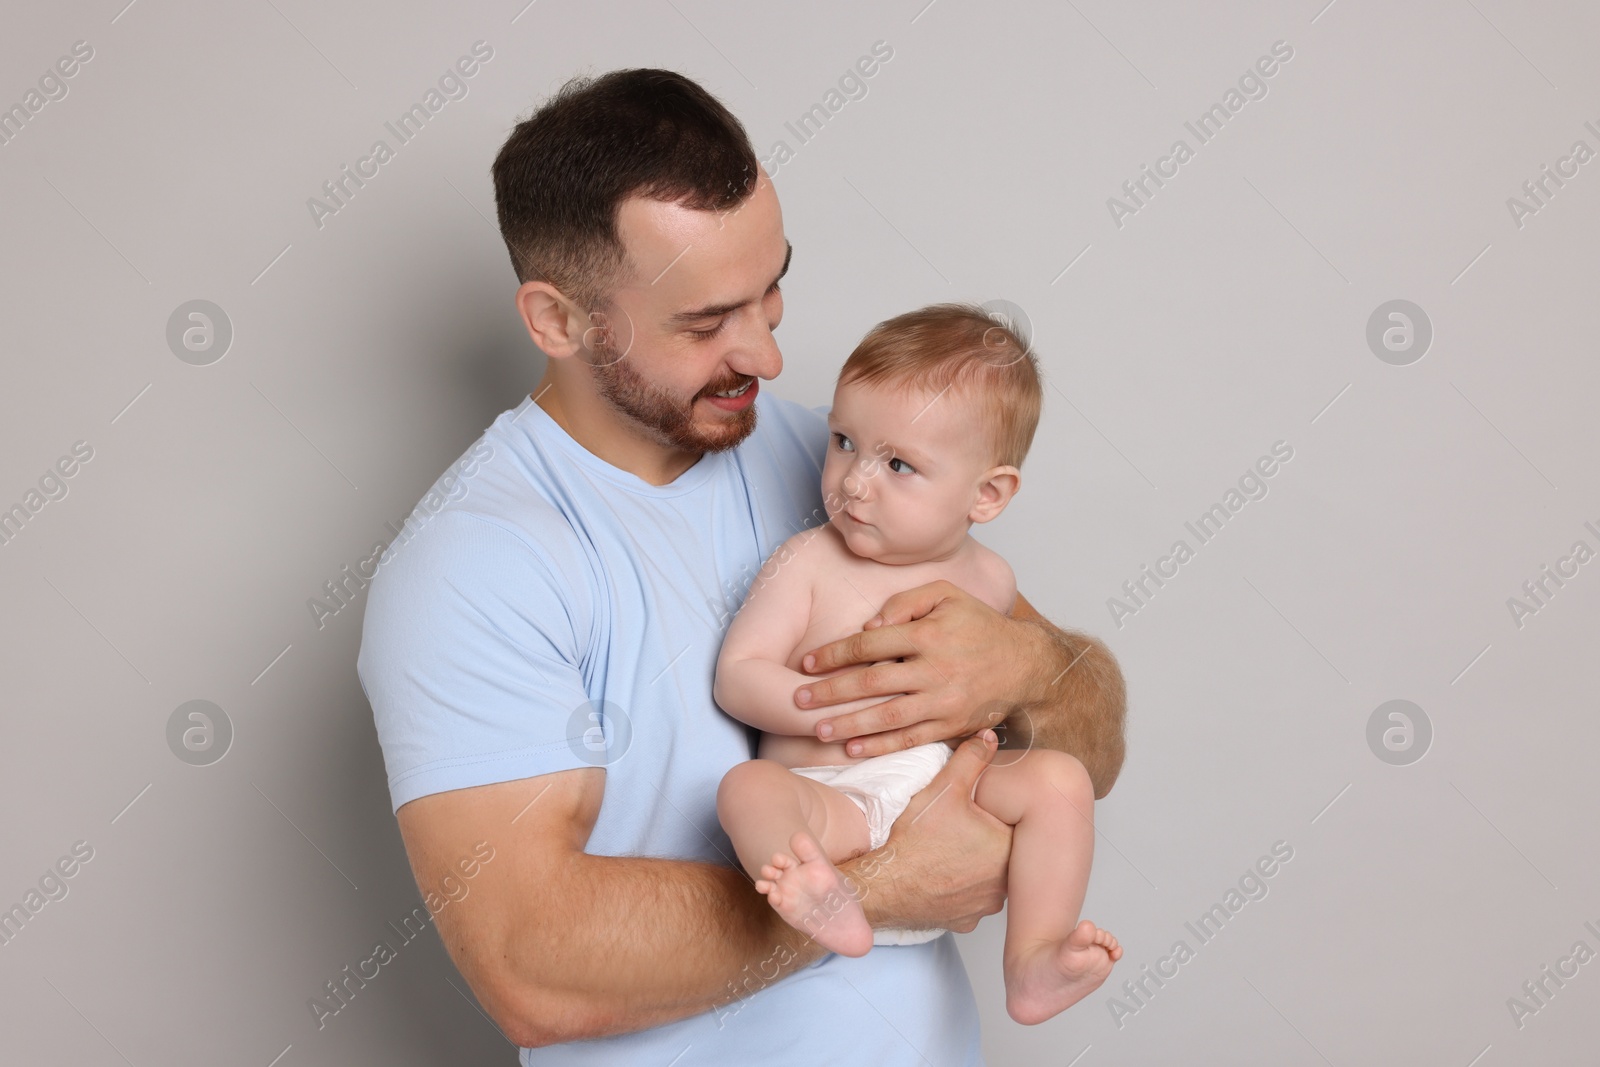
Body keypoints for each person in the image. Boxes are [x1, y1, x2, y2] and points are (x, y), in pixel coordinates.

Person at [356, 68, 1126, 1065]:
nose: (764, 354)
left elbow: (1087, 744)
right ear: (556, 321)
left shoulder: (840, 460)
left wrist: (1028, 669)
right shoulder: (474, 567)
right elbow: (530, 966)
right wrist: (888, 879)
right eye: (705, 320)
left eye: (771, 292)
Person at [714, 304, 1122, 1025]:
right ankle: (823, 891)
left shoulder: (990, 582)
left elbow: (1023, 704)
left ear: (987, 495)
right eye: (844, 442)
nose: (854, 482)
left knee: (1061, 780)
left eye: (898, 464)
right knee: (748, 790)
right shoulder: (809, 560)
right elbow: (738, 673)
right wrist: (829, 704)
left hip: (944, 798)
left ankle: (1032, 957)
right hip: (831, 799)